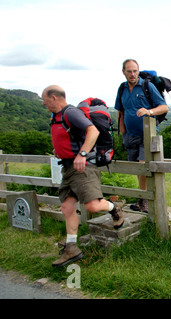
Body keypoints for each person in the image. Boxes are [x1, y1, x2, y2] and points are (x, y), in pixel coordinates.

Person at [43, 85, 124, 268]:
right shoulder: (57, 117)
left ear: (54, 98)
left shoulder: (70, 113)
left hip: (82, 167)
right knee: (67, 207)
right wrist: (60, 150)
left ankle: (115, 208)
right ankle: (71, 247)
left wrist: (82, 154)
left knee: (93, 205)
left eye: (45, 99)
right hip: (68, 167)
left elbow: (93, 131)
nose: (44, 103)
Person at [115, 59, 169, 213]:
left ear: (138, 71)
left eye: (135, 71)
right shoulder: (122, 88)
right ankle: (142, 199)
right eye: (129, 71)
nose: (132, 74)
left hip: (148, 134)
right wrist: (123, 132)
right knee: (137, 169)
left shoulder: (147, 86)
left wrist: (149, 111)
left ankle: (144, 201)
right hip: (130, 135)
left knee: (142, 165)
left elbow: (164, 107)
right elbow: (120, 110)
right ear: (123, 72)